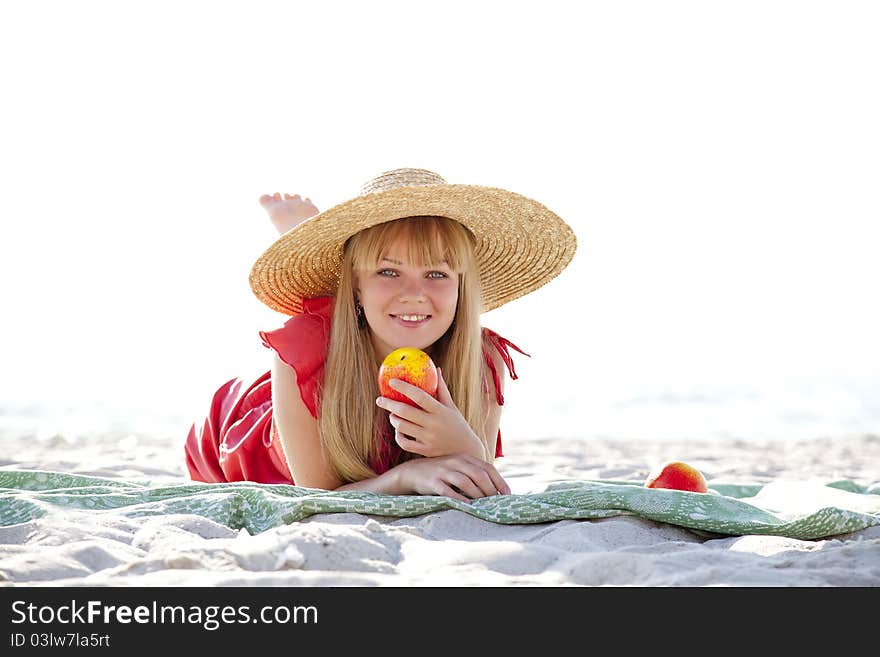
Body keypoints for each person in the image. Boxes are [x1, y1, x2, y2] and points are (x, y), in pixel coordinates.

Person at [185, 168, 577, 502]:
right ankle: (310, 239)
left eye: (437, 274)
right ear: (355, 284)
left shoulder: (482, 359)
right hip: (242, 434)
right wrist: (403, 479)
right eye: (388, 271)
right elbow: (316, 497)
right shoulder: (302, 350)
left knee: (379, 311)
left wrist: (469, 449)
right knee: (326, 323)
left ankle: (329, 244)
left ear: (461, 287)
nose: (414, 292)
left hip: (358, 326)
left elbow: (477, 485)